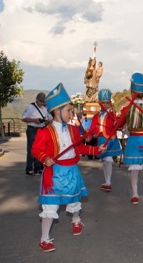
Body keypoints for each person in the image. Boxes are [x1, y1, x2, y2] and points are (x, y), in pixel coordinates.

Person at [32, 83, 105, 252]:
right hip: (54, 172)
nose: (72, 113)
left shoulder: (73, 130)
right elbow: (36, 149)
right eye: (69, 110)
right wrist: (45, 158)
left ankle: (76, 220)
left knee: (75, 199)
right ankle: (44, 238)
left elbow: (79, 148)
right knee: (50, 206)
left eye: (71, 110)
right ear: (57, 111)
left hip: (71, 170)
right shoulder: (45, 131)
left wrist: (96, 149)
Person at [115, 73, 143, 204]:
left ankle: (135, 194)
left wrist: (116, 125)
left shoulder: (127, 109)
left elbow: (119, 124)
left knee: (134, 168)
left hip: (133, 140)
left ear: (132, 91)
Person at [88, 89, 123, 192]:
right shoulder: (96, 116)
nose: (105, 105)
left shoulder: (112, 115)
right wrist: (89, 135)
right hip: (101, 140)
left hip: (110, 140)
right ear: (100, 103)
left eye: (107, 103)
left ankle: (108, 182)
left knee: (108, 160)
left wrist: (116, 125)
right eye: (103, 103)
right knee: (104, 162)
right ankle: (107, 180)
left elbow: (118, 125)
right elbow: (92, 129)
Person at [21, 92, 53, 175]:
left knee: (40, 149)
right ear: (37, 100)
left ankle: (38, 168)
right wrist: (34, 120)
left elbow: (50, 117)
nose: (42, 103)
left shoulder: (44, 108)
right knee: (31, 149)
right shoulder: (30, 107)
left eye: (43, 102)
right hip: (33, 129)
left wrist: (48, 121)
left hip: (41, 129)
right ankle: (29, 168)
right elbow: (24, 118)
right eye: (40, 101)